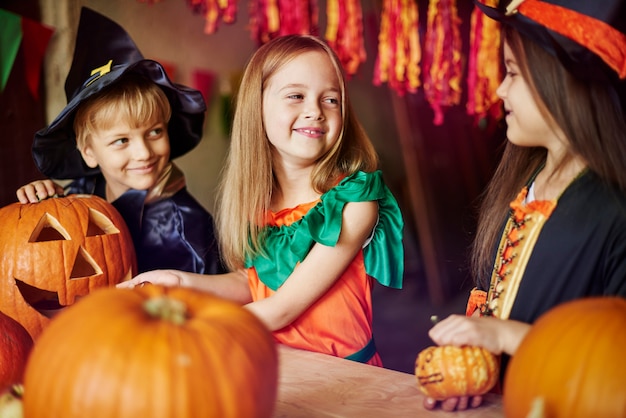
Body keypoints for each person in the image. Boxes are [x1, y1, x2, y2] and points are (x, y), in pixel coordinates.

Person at [119, 34, 405, 366]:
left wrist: (194, 329)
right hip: (275, 366)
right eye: (296, 96)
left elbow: (283, 307)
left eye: (331, 99)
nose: (314, 110)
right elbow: (253, 282)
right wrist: (180, 281)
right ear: (258, 107)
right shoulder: (259, 204)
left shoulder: (354, 203)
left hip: (347, 379)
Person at [424, 0, 626, 411]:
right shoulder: (526, 184)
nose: (499, 89)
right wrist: (477, 366)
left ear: (563, 84)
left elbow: (614, 361)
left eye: (513, 72)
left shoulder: (615, 212)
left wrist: (505, 336)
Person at [16, 7, 225, 276]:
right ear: (89, 152)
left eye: (154, 132)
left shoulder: (191, 233)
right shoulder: (82, 192)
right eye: (122, 140)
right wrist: (47, 199)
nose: (143, 153)